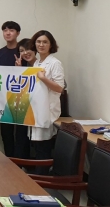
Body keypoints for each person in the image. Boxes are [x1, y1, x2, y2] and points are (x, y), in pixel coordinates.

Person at [29, 30, 64, 175]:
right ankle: (38, 177)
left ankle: (41, 179)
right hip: (36, 110)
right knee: (37, 147)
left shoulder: (55, 63)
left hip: (47, 111)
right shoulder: (37, 62)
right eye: (38, 42)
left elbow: (60, 88)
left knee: (43, 147)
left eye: (45, 42)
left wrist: (43, 78)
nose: (41, 45)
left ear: (51, 45)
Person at [0, 21, 29, 158]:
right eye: (5, 30)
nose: (8, 33)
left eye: (11, 30)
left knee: (21, 133)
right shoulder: (0, 52)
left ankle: (21, 162)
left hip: (22, 98)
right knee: (6, 132)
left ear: (18, 33)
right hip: (4, 98)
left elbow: (31, 73)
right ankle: (9, 161)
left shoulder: (23, 51)